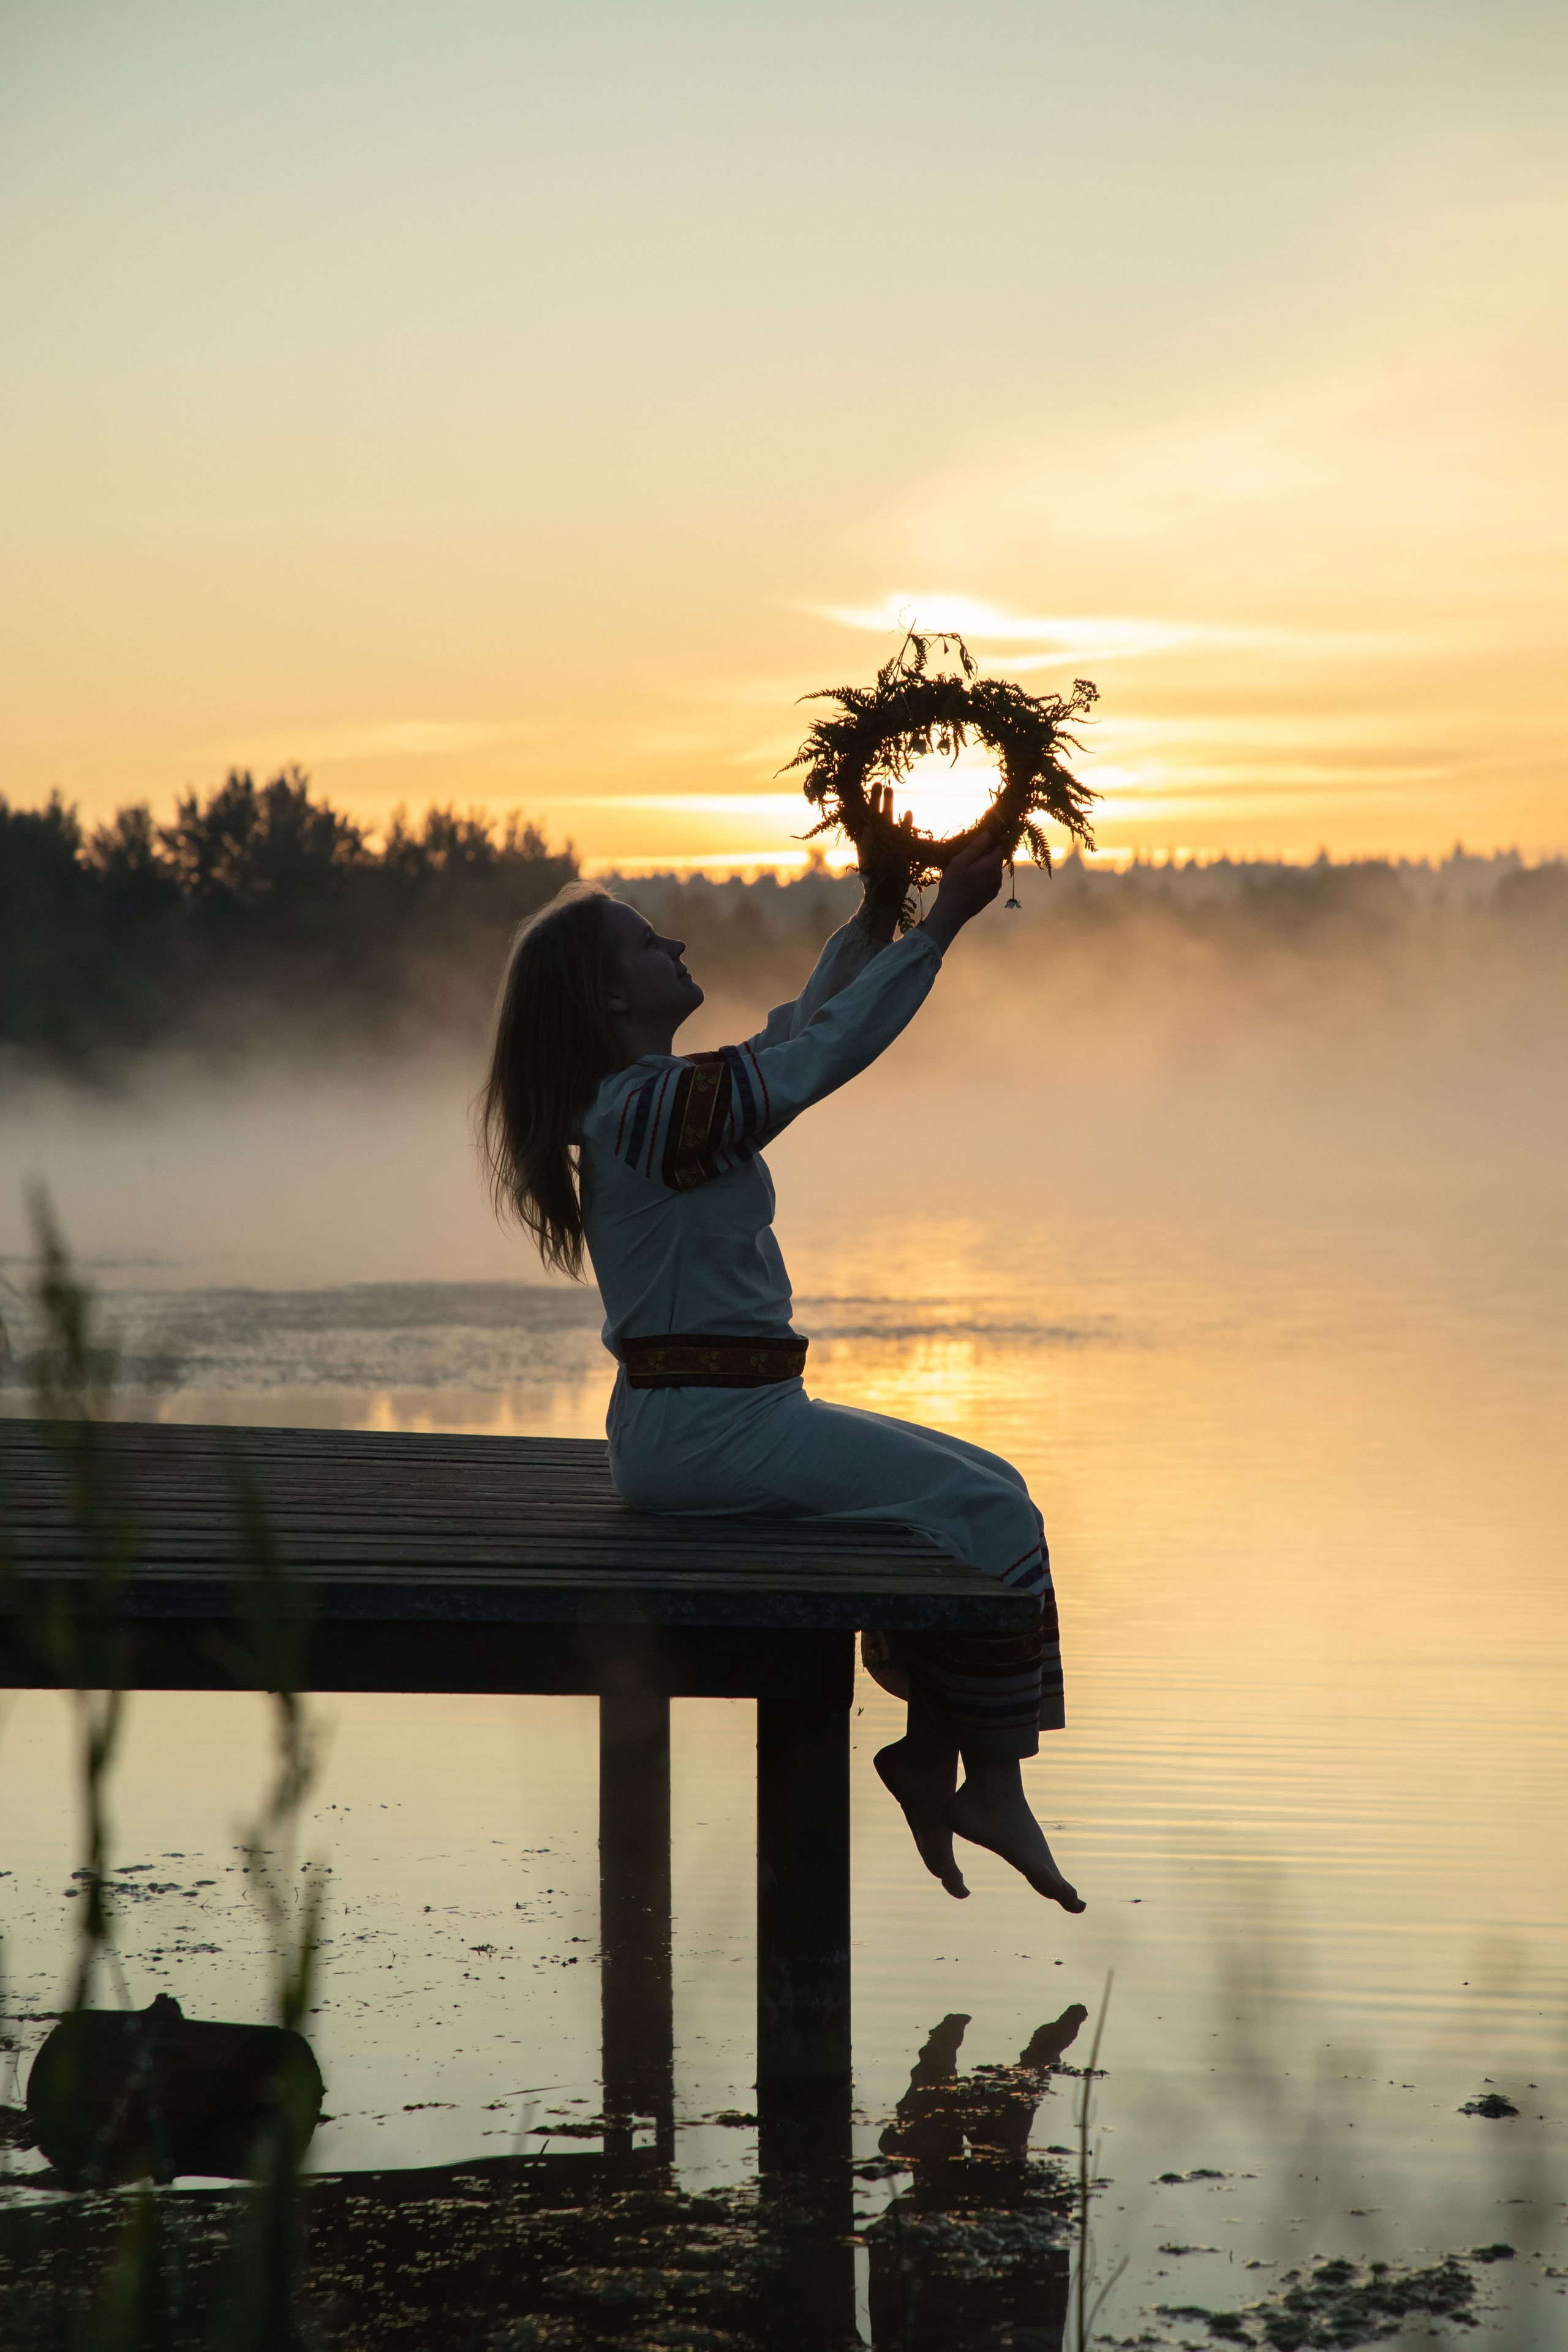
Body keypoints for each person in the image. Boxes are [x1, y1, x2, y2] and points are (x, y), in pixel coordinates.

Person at [478, 820, 1082, 1912]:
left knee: (985, 1496)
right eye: (650, 944)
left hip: (712, 1423)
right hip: (713, 1432)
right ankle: (985, 1780)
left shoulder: (652, 1106)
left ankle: (937, 1758)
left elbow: (803, 1030)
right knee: (993, 1516)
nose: (678, 949)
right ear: (612, 1000)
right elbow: (820, 1057)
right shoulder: (648, 1111)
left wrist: (881, 910)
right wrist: (939, 929)